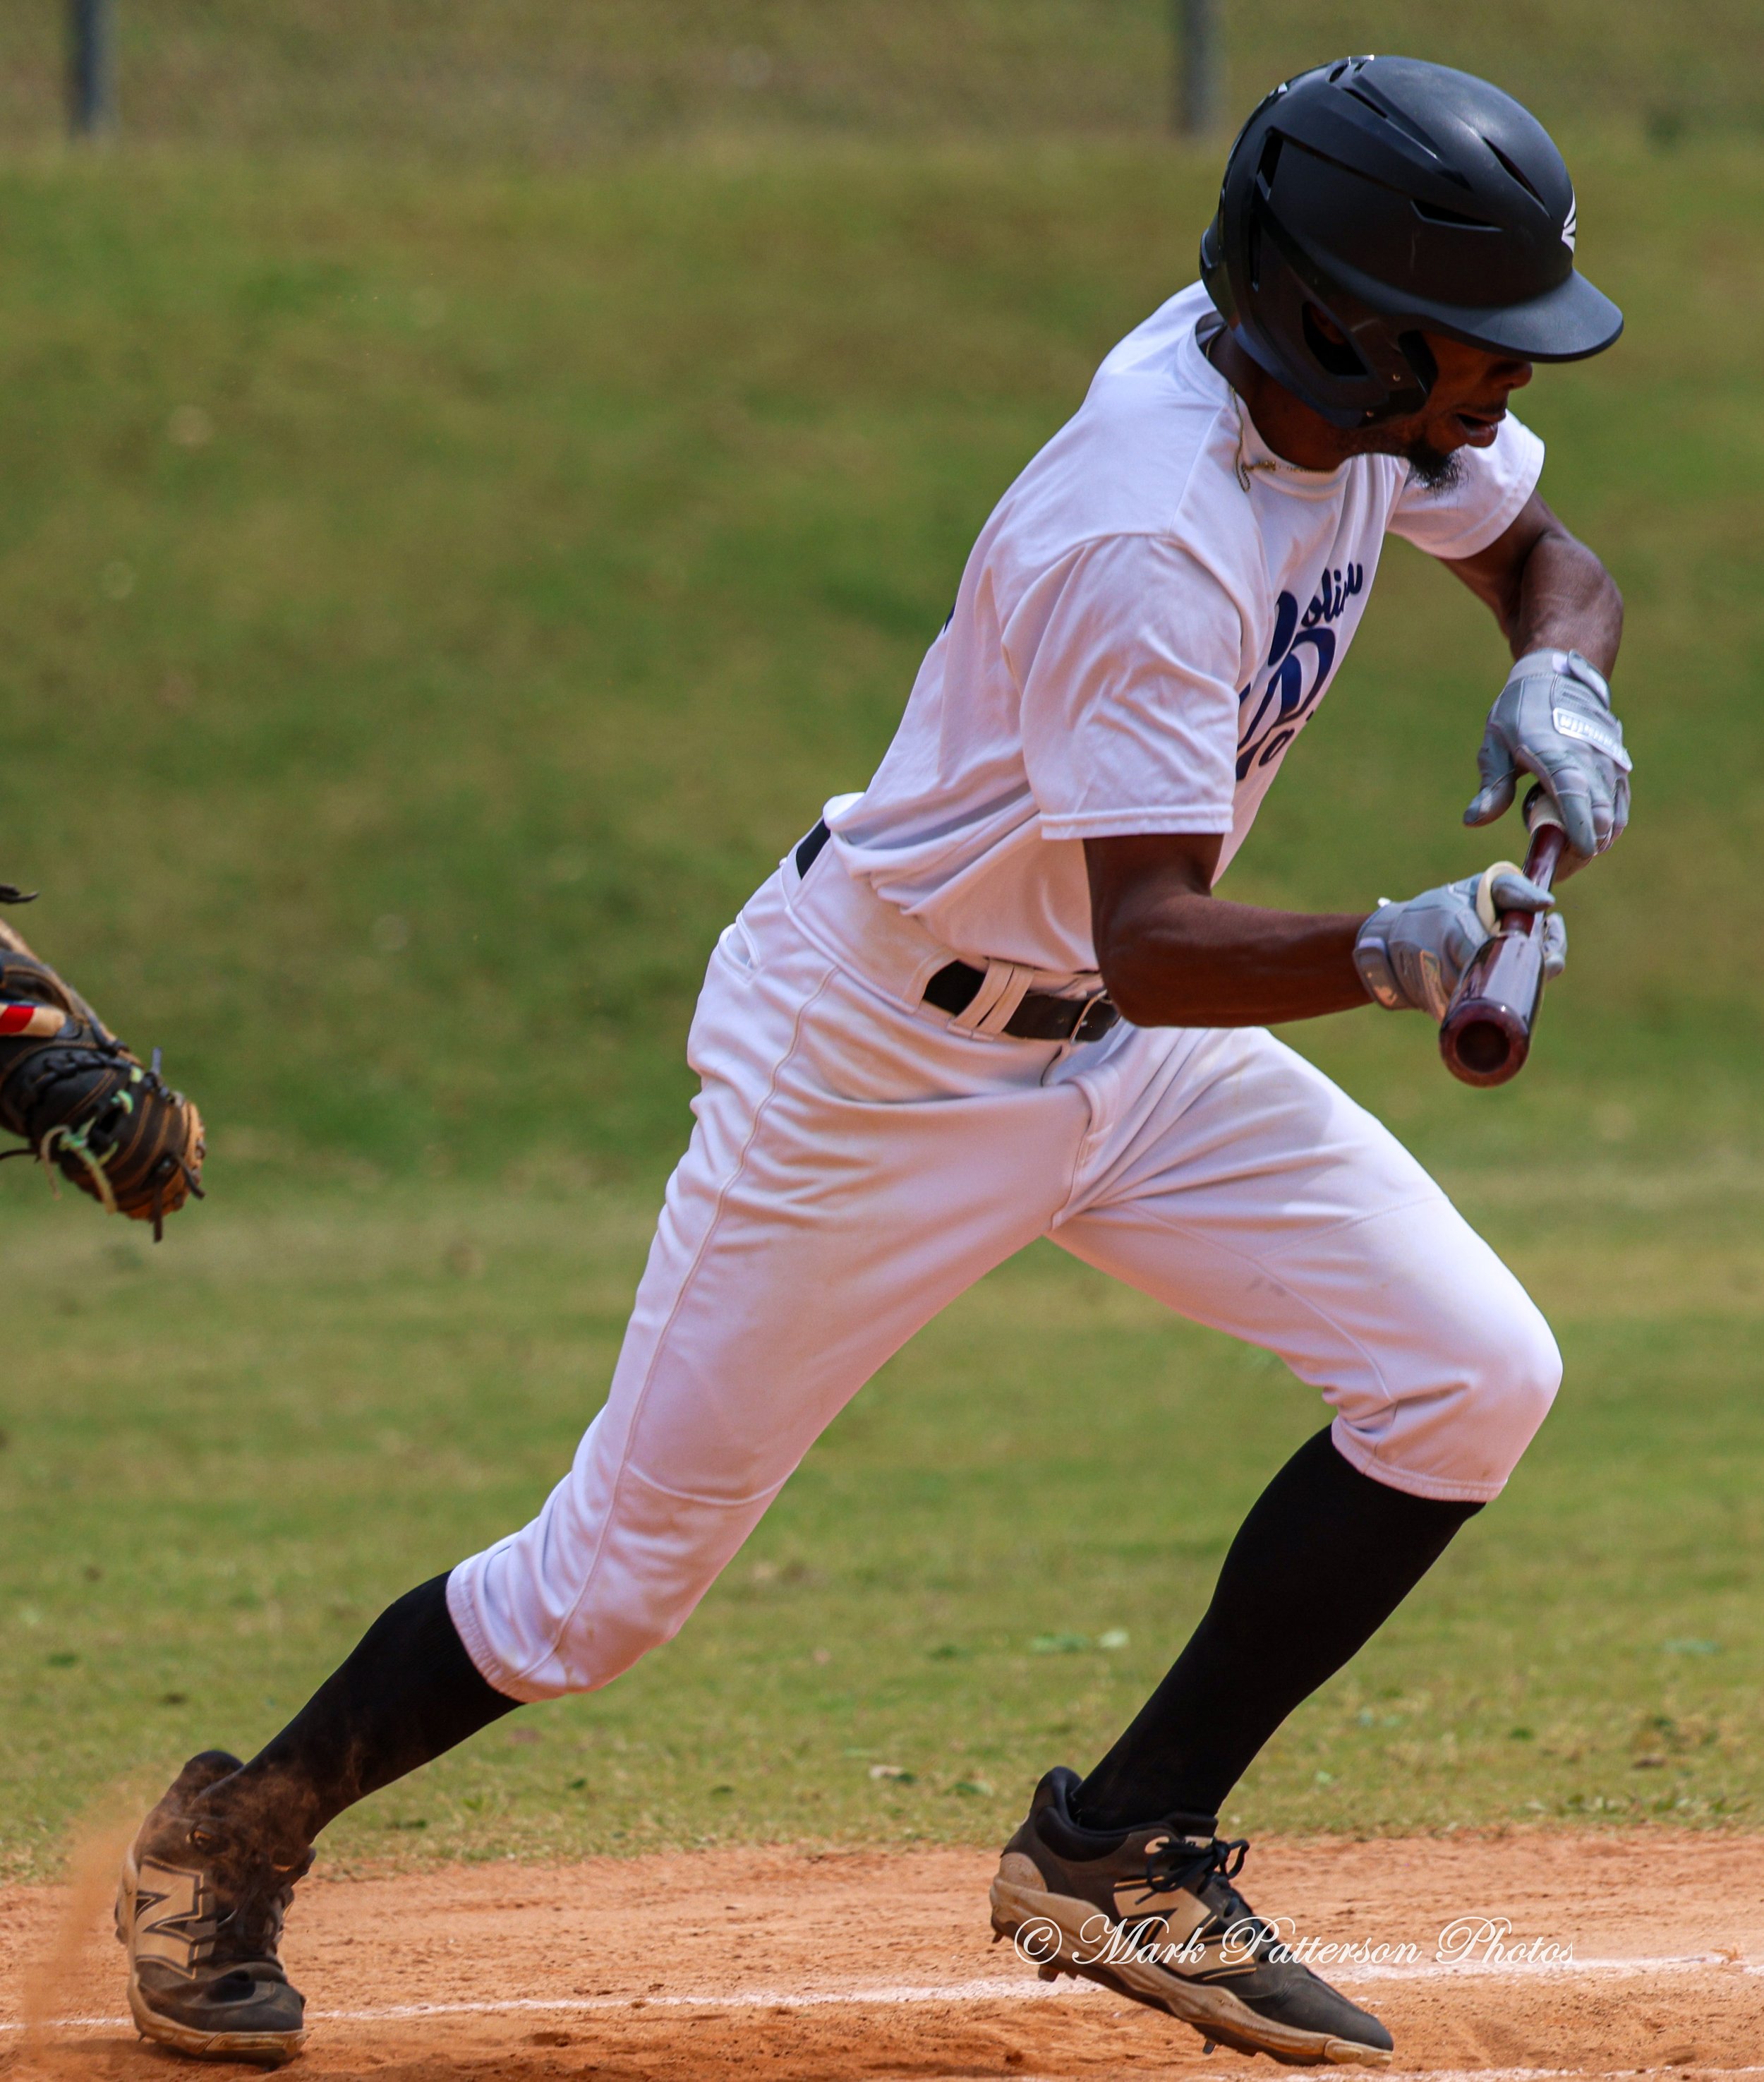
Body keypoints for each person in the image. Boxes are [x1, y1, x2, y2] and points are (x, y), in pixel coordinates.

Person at [116, 54, 1629, 2070]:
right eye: (1475, 350)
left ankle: (1117, 1850)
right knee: (603, 1595)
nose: (1504, 389)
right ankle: (231, 1837)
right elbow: (1157, 941)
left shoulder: (1337, 408)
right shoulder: (1145, 534)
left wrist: (1553, 668)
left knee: (1469, 1375)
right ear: (1338, 325)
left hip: (1128, 1059)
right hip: (881, 1068)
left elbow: (1551, 560)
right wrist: (1383, 950)